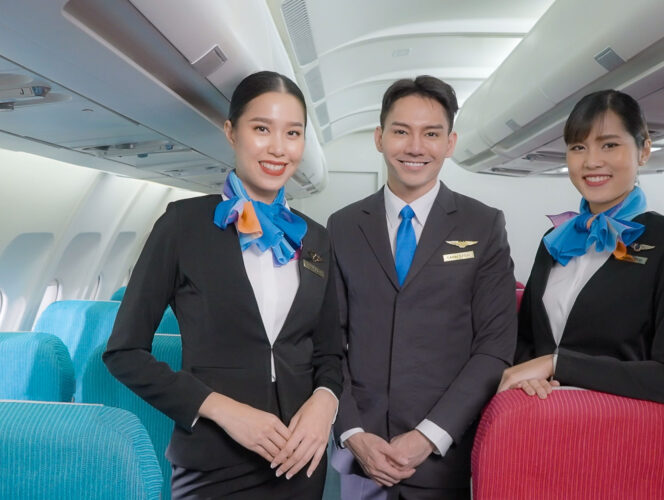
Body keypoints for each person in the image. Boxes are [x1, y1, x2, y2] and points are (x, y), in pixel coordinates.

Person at [103, 71, 342, 499]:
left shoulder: (316, 239)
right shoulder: (182, 225)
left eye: (293, 133)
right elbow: (123, 353)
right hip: (213, 463)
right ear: (231, 132)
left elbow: (328, 351)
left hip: (300, 460)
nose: (278, 148)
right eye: (261, 129)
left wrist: (325, 403)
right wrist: (223, 410)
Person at [327, 75, 517, 500]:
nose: (415, 147)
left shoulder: (483, 225)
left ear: (449, 143)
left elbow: (495, 346)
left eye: (431, 134)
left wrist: (429, 436)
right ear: (379, 138)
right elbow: (327, 342)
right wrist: (354, 432)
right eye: (400, 131)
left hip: (442, 459)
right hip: (361, 459)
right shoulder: (342, 226)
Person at [499, 89, 664, 406]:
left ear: (643, 150)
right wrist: (532, 377)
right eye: (578, 147)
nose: (592, 161)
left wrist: (558, 365)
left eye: (609, 145)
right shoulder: (556, 238)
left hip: (617, 428)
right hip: (539, 420)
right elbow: (526, 340)